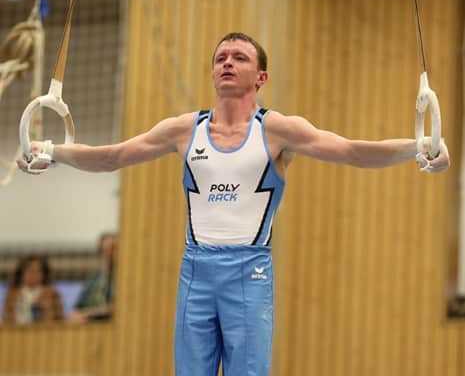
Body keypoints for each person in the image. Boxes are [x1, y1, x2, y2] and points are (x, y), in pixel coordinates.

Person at [17, 32, 450, 375]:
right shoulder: (183, 130)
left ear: (261, 77)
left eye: (240, 57)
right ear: (212, 73)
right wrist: (51, 152)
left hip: (250, 272)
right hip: (195, 271)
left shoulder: (278, 130)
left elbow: (354, 151)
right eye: (221, 57)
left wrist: (420, 147)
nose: (227, 62)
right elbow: (112, 157)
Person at [67, 232, 116, 324]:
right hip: (90, 326)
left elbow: (117, 308)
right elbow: (77, 308)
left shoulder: (124, 279)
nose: (108, 253)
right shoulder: (94, 279)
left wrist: (88, 314)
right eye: (103, 250)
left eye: (112, 249)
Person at [2, 255, 64, 325]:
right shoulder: (12, 294)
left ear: (43, 274)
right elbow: (6, 319)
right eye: (30, 271)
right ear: (22, 273)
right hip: (18, 330)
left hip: (45, 331)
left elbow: (60, 320)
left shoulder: (52, 293)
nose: (34, 275)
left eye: (37, 271)